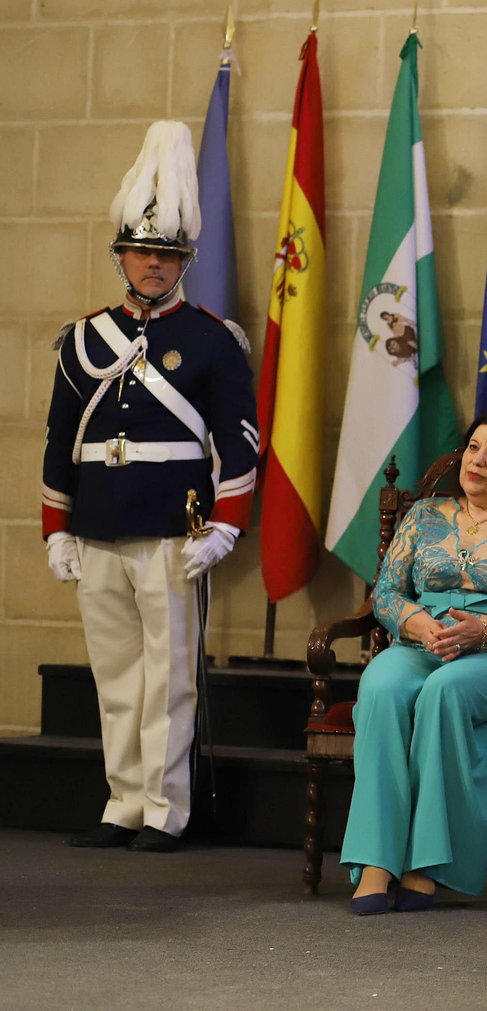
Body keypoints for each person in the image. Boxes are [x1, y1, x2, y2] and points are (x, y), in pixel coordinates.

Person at [42, 120, 257, 853]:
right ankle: (123, 801)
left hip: (174, 527)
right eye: (142, 251)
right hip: (99, 522)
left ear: (186, 259)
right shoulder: (83, 339)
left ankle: (167, 809)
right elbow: (59, 440)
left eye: (168, 254)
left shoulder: (211, 341)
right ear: (121, 255)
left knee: (169, 679)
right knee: (117, 673)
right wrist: (57, 528)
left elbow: (238, 442)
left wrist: (227, 525)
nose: (154, 265)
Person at [342, 410, 487, 914]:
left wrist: (486, 629)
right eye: (473, 448)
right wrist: (419, 624)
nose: (478, 461)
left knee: (444, 694)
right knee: (379, 686)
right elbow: (384, 593)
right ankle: (377, 859)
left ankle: (427, 864)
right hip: (422, 642)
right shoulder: (424, 514)